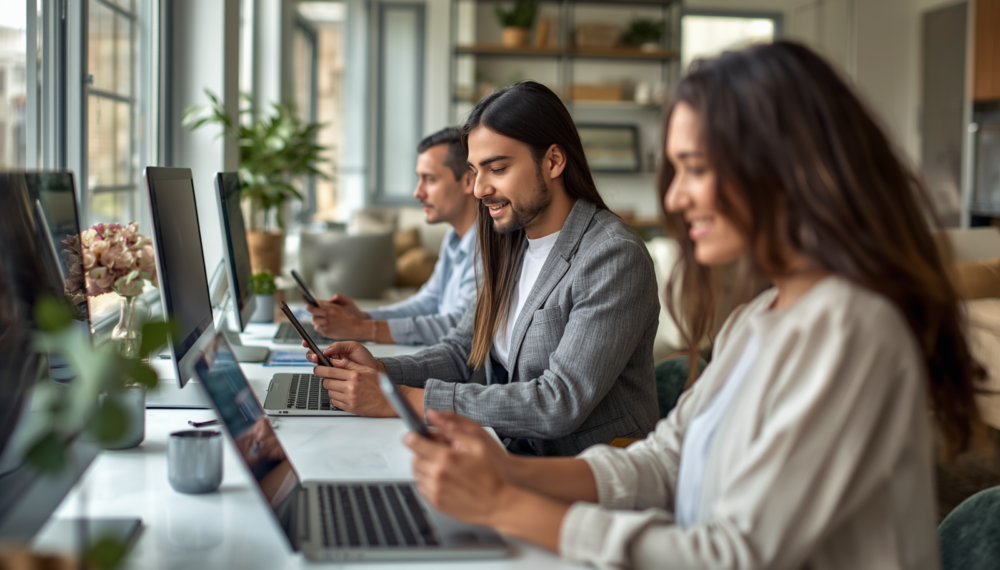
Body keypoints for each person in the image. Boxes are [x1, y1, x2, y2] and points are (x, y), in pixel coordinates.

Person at [400, 41, 984, 569]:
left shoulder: (852, 333)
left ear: (785, 168)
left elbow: (733, 555)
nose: (675, 197)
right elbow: (662, 461)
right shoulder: (757, 319)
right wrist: (508, 471)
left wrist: (508, 505)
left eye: (696, 169)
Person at [306, 81, 661, 457]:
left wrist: (402, 398)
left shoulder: (612, 257)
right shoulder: (509, 241)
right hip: (509, 452)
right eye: (476, 171)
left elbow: (558, 404)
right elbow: (463, 352)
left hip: (587, 474)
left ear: (554, 161)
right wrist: (380, 371)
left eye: (498, 169)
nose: (478, 189)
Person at [307, 128, 478, 345]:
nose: (418, 193)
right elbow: (428, 302)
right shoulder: (454, 239)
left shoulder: (486, 249)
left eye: (430, 179)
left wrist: (362, 328)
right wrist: (364, 317)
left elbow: (458, 327)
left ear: (468, 181)